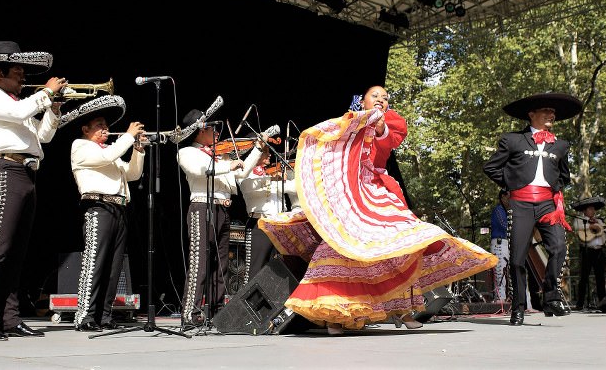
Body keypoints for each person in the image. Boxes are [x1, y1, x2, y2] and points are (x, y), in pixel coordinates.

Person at [284, 85, 498, 334]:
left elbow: (388, 143)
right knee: (340, 245)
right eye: (375, 96)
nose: (381, 99)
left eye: (385, 98)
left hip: (376, 190)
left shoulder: (389, 122)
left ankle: (405, 312)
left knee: (398, 246)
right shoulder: (348, 123)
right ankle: (337, 317)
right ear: (361, 101)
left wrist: (379, 125)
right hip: (349, 190)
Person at [0, 41, 68, 340]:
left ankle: (10, 319)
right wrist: (46, 93)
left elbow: (44, 136)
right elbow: (20, 114)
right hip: (3, 169)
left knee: (16, 254)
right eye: (17, 72)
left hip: (26, 173)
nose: (24, 78)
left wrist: (53, 108)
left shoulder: (18, 102)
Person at [484, 92, 583, 325]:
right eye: (547, 111)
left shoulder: (560, 145)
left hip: (548, 204)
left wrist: (553, 190)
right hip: (520, 203)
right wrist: (511, 186)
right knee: (517, 259)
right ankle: (517, 309)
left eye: (554, 112)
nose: (552, 115)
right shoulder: (513, 140)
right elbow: (491, 168)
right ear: (532, 114)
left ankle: (551, 297)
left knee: (559, 247)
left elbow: (564, 176)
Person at [58, 95, 146, 332]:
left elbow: (133, 174)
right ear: (85, 129)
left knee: (113, 267)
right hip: (98, 207)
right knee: (95, 263)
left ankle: (104, 315)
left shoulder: (111, 150)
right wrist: (128, 135)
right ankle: (84, 315)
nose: (105, 129)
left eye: (107, 126)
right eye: (99, 126)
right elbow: (106, 157)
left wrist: (138, 149)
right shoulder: (81, 146)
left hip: (119, 208)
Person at [176, 109, 266, 330]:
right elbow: (201, 171)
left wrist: (257, 149)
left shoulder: (221, 155)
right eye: (211, 128)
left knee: (222, 265)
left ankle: (215, 313)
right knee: (200, 263)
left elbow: (242, 173)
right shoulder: (187, 152)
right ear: (199, 131)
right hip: (201, 207)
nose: (217, 132)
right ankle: (191, 313)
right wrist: (228, 164)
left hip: (223, 210)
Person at [237, 141, 297, 281]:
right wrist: (272, 179)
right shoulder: (246, 174)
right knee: (256, 268)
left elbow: (292, 188)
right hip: (259, 224)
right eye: (265, 152)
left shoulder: (270, 173)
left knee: (277, 269)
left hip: (277, 225)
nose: (270, 155)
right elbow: (248, 188)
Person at [571, 196, 606, 310]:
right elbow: (577, 227)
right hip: (587, 251)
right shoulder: (579, 219)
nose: (593, 211)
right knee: (583, 277)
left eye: (594, 209)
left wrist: (605, 228)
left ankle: (603, 303)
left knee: (600, 278)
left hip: (600, 251)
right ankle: (580, 303)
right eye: (590, 209)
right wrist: (591, 226)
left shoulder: (601, 220)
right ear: (584, 211)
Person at [490, 190, 511, 302]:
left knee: (506, 272)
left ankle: (505, 298)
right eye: (509, 196)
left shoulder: (505, 211)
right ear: (503, 196)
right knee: (499, 273)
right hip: (499, 243)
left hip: (505, 243)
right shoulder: (499, 210)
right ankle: (500, 299)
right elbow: (504, 226)